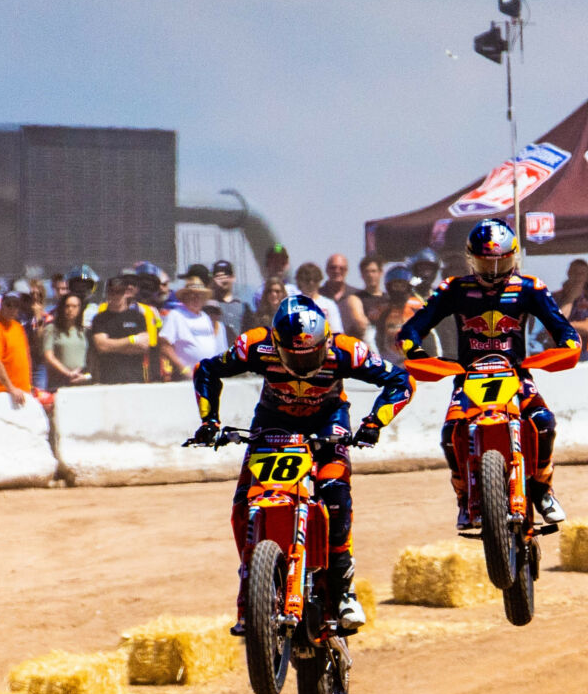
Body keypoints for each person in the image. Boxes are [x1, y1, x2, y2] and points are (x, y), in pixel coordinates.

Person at [191, 295, 412, 636]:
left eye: (311, 353)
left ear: (325, 340)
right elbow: (206, 370)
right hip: (272, 423)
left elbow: (400, 381)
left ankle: (343, 593)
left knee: (336, 496)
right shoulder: (254, 345)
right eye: (294, 355)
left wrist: (373, 423)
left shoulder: (347, 349)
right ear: (277, 345)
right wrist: (210, 421)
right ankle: (253, 586)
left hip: (328, 423)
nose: (304, 362)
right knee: (243, 502)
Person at [400, 217, 581, 524]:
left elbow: (565, 330)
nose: (495, 272)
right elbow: (409, 331)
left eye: (502, 262)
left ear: (514, 257)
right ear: (472, 260)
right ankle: (462, 497)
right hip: (469, 376)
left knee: (545, 423)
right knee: (449, 434)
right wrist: (416, 352)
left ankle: (543, 489)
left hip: (516, 374)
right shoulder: (454, 289)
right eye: (487, 265)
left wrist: (564, 345)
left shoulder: (530, 288)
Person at [88, 274, 157, 383]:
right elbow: (102, 346)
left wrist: (113, 345)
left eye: (119, 291)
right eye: (112, 291)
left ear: (126, 293)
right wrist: (132, 340)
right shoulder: (99, 318)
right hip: (108, 378)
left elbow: (144, 346)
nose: (115, 295)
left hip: (135, 377)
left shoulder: (137, 316)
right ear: (107, 293)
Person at [159, 277, 227, 380]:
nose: (196, 298)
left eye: (199, 295)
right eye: (192, 295)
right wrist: (184, 369)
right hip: (187, 377)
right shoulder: (176, 315)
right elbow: (164, 345)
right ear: (185, 297)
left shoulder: (205, 317)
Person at [0, 291, 36, 406]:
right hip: (1, 394)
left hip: (21, 393)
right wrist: (11, 388)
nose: (12, 309)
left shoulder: (18, 327)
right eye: (8, 305)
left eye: (15, 305)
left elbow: (25, 358)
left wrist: (29, 386)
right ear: (1, 305)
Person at [41, 293, 93, 388]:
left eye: (74, 306)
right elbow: (49, 356)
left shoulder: (84, 331)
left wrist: (85, 376)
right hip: (59, 381)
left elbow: (90, 359)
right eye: (67, 306)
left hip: (81, 380)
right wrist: (68, 373)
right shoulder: (52, 329)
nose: (70, 309)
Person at [318, 253, 368, 337]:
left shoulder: (358, 295)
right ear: (326, 270)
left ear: (347, 271)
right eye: (333, 267)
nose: (337, 271)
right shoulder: (318, 295)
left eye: (341, 268)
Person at [208, 260, 253, 341]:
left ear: (233, 278)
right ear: (213, 280)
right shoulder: (208, 307)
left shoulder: (245, 308)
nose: (223, 278)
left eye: (227, 275)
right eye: (218, 276)